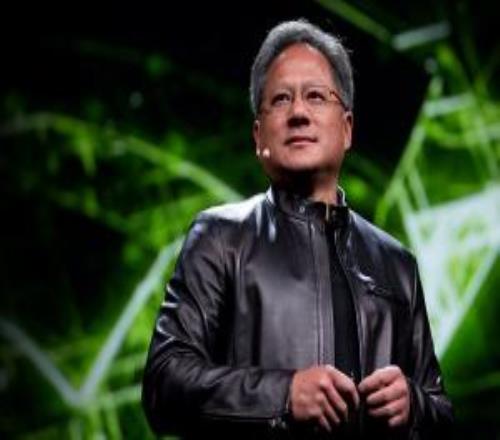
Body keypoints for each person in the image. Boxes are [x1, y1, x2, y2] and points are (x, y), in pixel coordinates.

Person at [142, 19, 453, 439]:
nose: (299, 113)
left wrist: (413, 405)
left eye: (316, 96)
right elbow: (163, 384)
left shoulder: (397, 265)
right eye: (281, 99)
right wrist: (283, 395)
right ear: (259, 136)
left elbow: (442, 411)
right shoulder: (219, 238)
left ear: (347, 129)